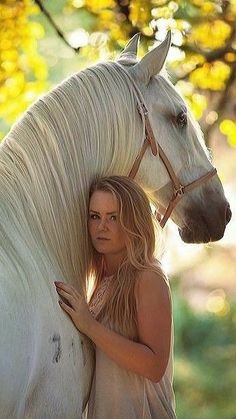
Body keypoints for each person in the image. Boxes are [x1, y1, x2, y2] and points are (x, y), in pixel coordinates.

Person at [54, 176, 176, 418]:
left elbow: (154, 366)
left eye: (113, 217)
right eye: (95, 216)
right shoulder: (100, 281)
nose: (102, 226)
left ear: (134, 221)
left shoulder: (148, 278)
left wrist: (89, 325)